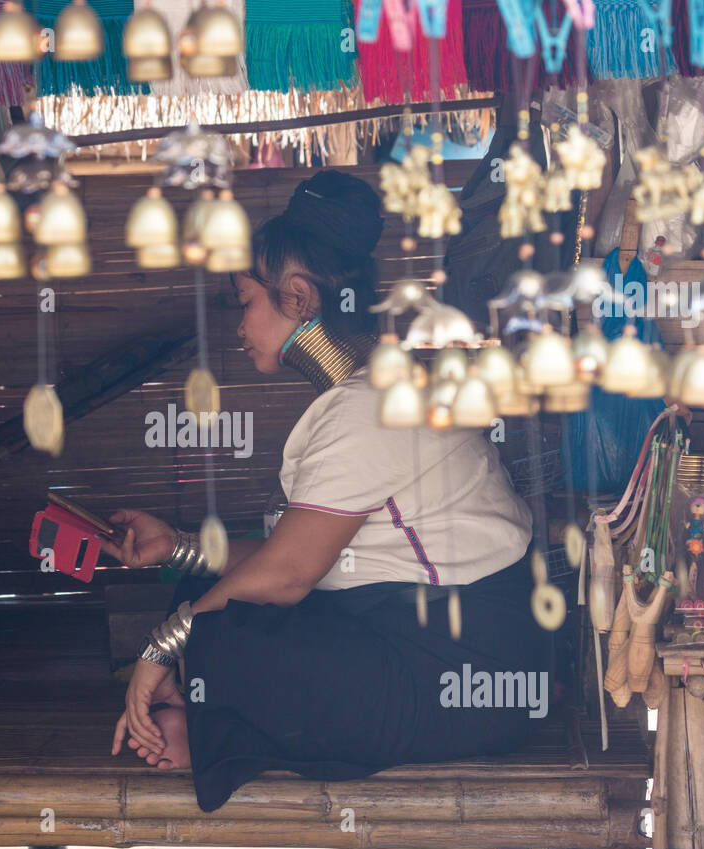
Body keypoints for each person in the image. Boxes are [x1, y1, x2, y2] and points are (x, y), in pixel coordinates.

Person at [102, 170, 551, 813]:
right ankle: (204, 711)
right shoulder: (371, 391)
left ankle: (211, 731)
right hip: (427, 634)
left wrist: (160, 649)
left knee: (223, 635)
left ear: (299, 297)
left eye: (245, 301)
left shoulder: (368, 407)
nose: (240, 325)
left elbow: (287, 574)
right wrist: (175, 548)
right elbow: (307, 554)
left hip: (472, 667)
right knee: (205, 601)